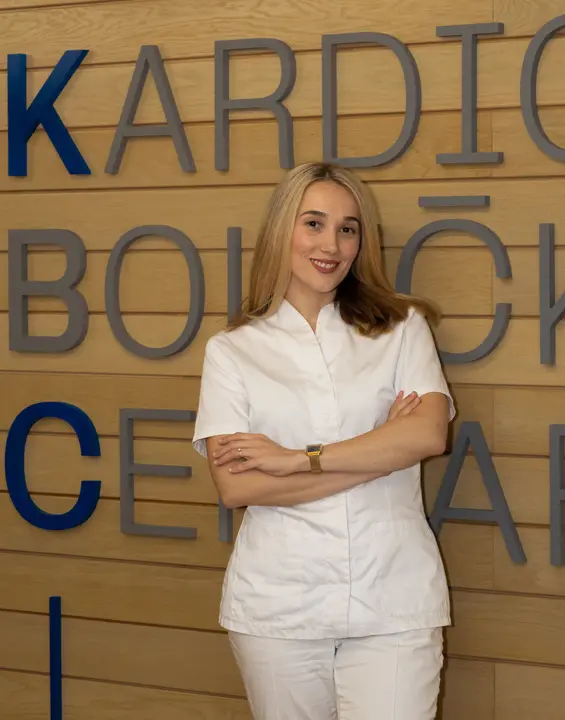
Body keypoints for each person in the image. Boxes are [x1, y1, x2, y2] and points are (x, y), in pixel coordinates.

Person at [191, 161, 456, 719]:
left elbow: (428, 434)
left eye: (347, 229)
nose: (331, 244)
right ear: (281, 230)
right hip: (278, 609)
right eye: (313, 223)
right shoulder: (232, 351)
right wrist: (382, 450)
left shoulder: (402, 327)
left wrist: (296, 460)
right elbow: (238, 488)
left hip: (394, 601)